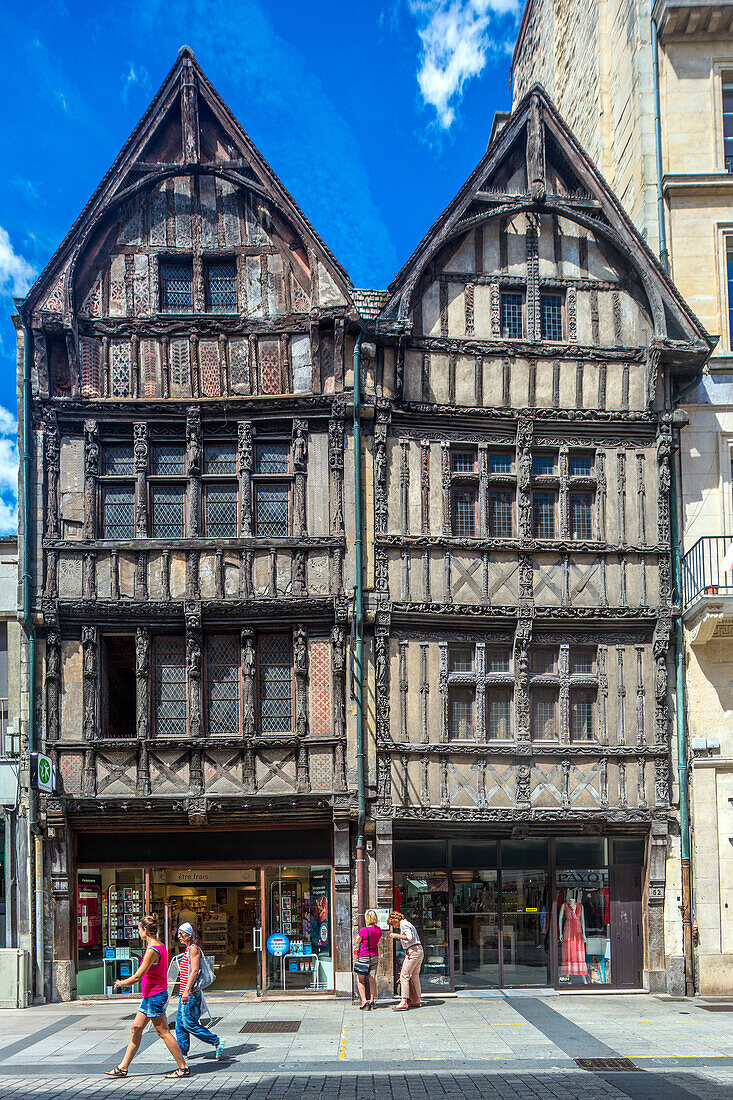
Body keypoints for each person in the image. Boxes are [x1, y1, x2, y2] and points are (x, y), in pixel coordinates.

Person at [106, 914, 190, 1079]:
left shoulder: (153, 950)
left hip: (155, 996)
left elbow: (138, 976)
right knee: (136, 1028)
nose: (138, 932)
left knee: (163, 1032)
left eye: (139, 929)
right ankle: (123, 1067)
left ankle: (183, 1067)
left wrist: (121, 983)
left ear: (145, 930)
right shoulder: (160, 946)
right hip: (150, 996)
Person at [175, 922, 224, 1060]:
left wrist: (186, 990)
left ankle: (215, 1041)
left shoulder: (193, 949)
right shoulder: (188, 949)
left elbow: (194, 971)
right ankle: (182, 1053)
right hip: (184, 992)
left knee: (189, 1023)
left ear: (189, 935)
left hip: (190, 993)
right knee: (180, 1023)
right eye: (178, 933)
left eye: (182, 934)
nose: (179, 936)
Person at [388, 910, 423, 1011]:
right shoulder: (408, 923)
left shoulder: (403, 924)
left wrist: (397, 935)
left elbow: (409, 937)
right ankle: (417, 1000)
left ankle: (404, 1001)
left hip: (413, 951)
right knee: (415, 976)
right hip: (419, 950)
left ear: (396, 920)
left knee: (404, 976)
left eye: (393, 924)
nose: (394, 927)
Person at [354, 909, 383, 1010]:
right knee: (372, 978)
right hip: (374, 956)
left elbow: (357, 941)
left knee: (360, 979)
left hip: (363, 956)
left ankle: (364, 1002)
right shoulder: (379, 930)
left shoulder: (364, 930)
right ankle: (372, 1000)